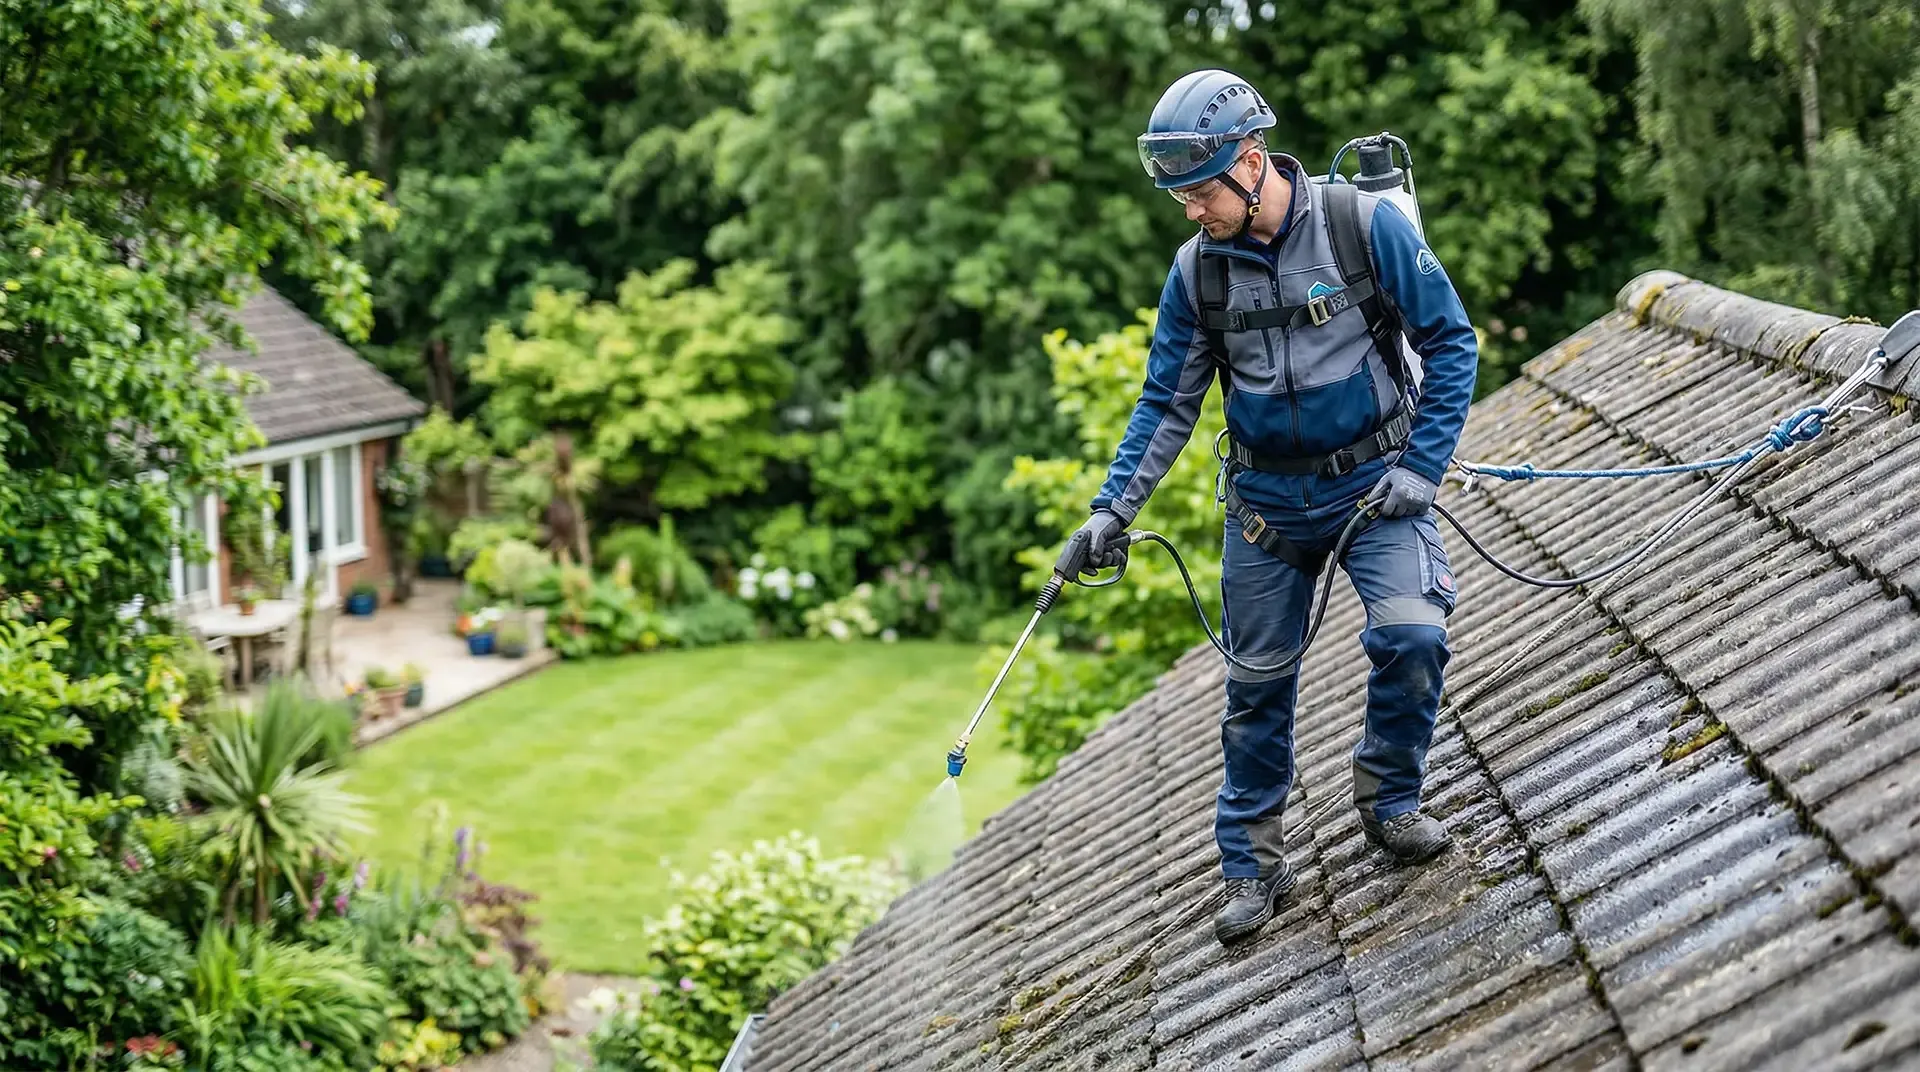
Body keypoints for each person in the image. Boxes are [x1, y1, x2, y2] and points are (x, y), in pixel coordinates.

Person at [1053, 69, 1479, 946]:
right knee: (1255, 688)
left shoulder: (1365, 227)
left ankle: (1391, 801)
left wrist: (1423, 469)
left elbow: (1452, 339)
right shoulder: (1197, 273)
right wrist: (1111, 512)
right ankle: (1251, 865)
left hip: (1375, 485)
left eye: (1200, 192)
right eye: (1179, 197)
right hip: (1265, 508)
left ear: (1252, 164)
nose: (1190, 212)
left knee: (1412, 634)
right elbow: (1166, 404)